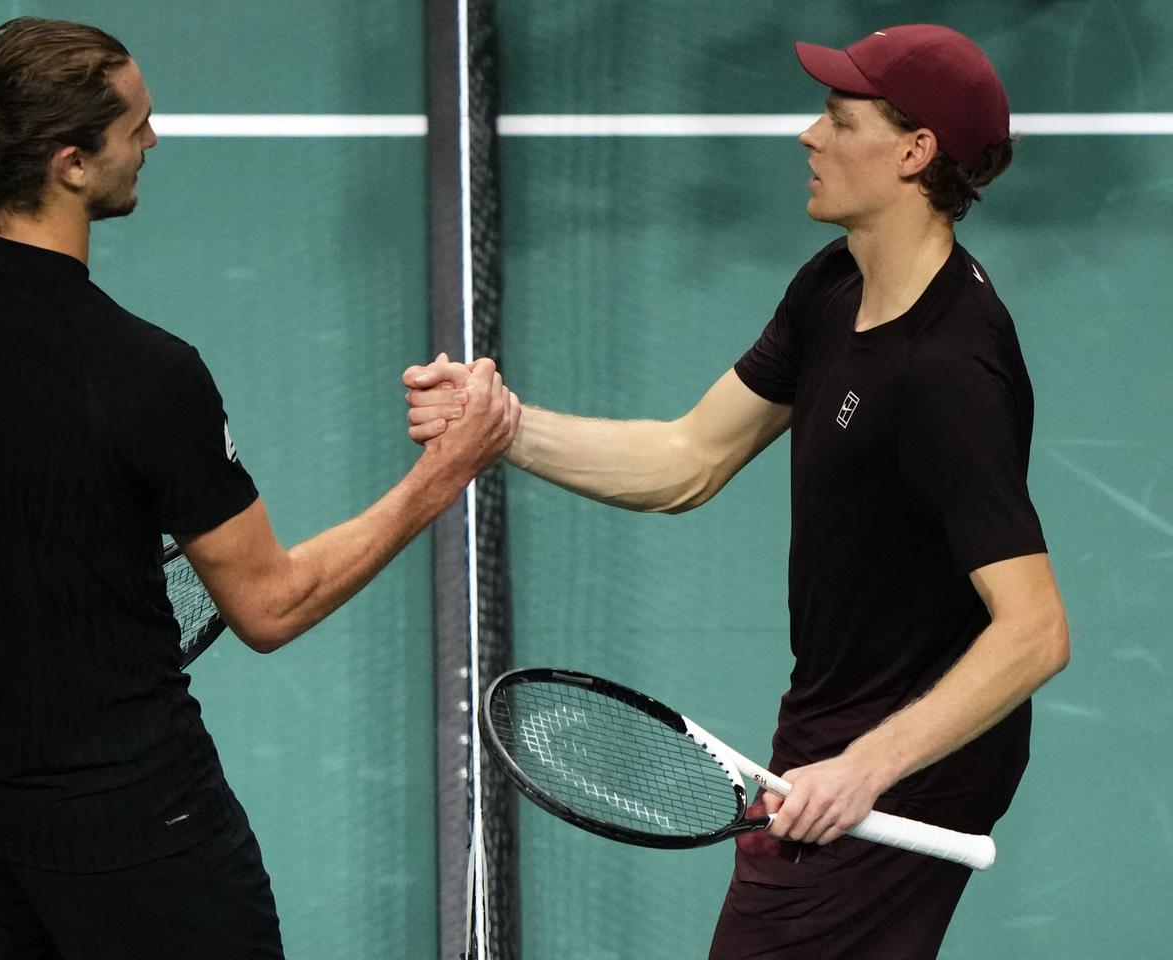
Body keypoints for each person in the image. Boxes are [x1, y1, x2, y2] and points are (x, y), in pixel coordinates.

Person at [0, 17, 517, 960]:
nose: (154, 140)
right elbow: (271, 603)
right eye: (136, 127)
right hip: (139, 830)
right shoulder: (146, 374)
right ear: (70, 162)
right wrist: (443, 475)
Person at [404, 24, 1069, 959]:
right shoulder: (837, 285)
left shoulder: (947, 373)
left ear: (915, 152)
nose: (809, 136)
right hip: (840, 710)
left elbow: (1035, 630)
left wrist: (862, 769)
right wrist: (501, 426)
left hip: (906, 753)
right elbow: (687, 460)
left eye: (840, 120)